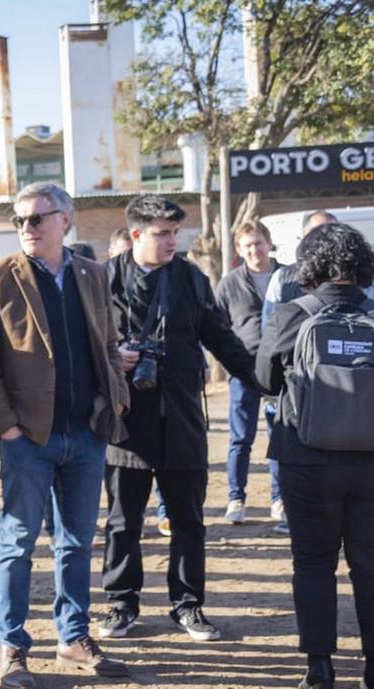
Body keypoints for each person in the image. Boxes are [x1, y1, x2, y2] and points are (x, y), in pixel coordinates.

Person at [0, 181, 130, 689]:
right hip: (27, 439)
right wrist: (7, 427)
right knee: (17, 545)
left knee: (76, 543)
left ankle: (73, 636)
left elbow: (107, 343)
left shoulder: (93, 274)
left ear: (65, 220)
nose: (27, 228)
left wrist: (115, 398)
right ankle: (12, 647)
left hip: (85, 435)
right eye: (20, 221)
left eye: (37, 218)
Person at [257, 222, 374, 689]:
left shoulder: (290, 314)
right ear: (363, 265)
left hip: (307, 458)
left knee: (312, 563)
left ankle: (321, 670)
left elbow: (265, 379)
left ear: (309, 266)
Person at [100, 194, 257, 642]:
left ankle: (188, 605)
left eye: (175, 232)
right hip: (126, 421)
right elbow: (82, 346)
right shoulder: (103, 280)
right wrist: (115, 357)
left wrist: (262, 379)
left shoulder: (190, 278)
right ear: (135, 235)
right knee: (123, 520)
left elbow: (220, 337)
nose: (172, 241)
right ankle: (120, 604)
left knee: (188, 520)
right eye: (162, 233)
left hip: (183, 418)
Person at [215, 220, 284, 527]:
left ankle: (279, 499)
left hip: (280, 370)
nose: (254, 250)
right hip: (243, 370)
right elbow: (216, 326)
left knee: (279, 436)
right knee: (240, 438)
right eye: (247, 245)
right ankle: (236, 498)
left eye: (258, 243)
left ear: (269, 243)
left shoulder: (288, 277)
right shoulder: (229, 283)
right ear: (239, 250)